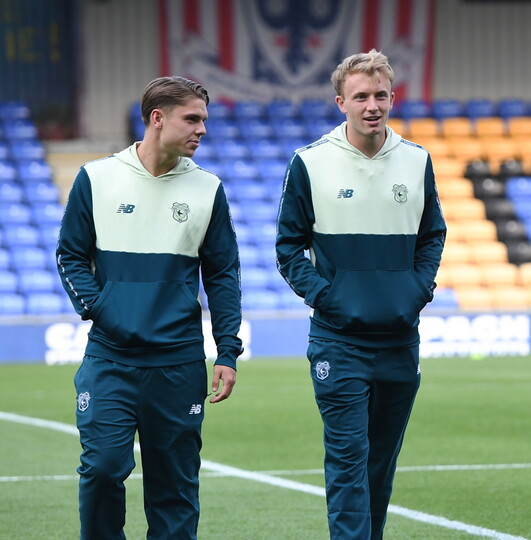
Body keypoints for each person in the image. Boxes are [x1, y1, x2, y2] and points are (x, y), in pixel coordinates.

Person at [56, 76, 243, 539]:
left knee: (174, 487)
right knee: (102, 468)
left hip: (178, 364)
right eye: (192, 119)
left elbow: (222, 275)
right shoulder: (97, 178)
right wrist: (104, 309)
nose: (202, 129)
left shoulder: (208, 189)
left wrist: (227, 350)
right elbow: (70, 255)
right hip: (111, 359)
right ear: (157, 118)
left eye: (204, 119)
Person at [275, 49, 445, 539]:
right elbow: (288, 248)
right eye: (361, 96)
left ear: (392, 98)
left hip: (399, 340)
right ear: (341, 103)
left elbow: (433, 234)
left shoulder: (416, 160)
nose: (372, 105)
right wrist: (328, 298)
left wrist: (417, 289)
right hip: (339, 342)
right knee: (349, 459)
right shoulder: (310, 162)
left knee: (380, 465)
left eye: (381, 95)